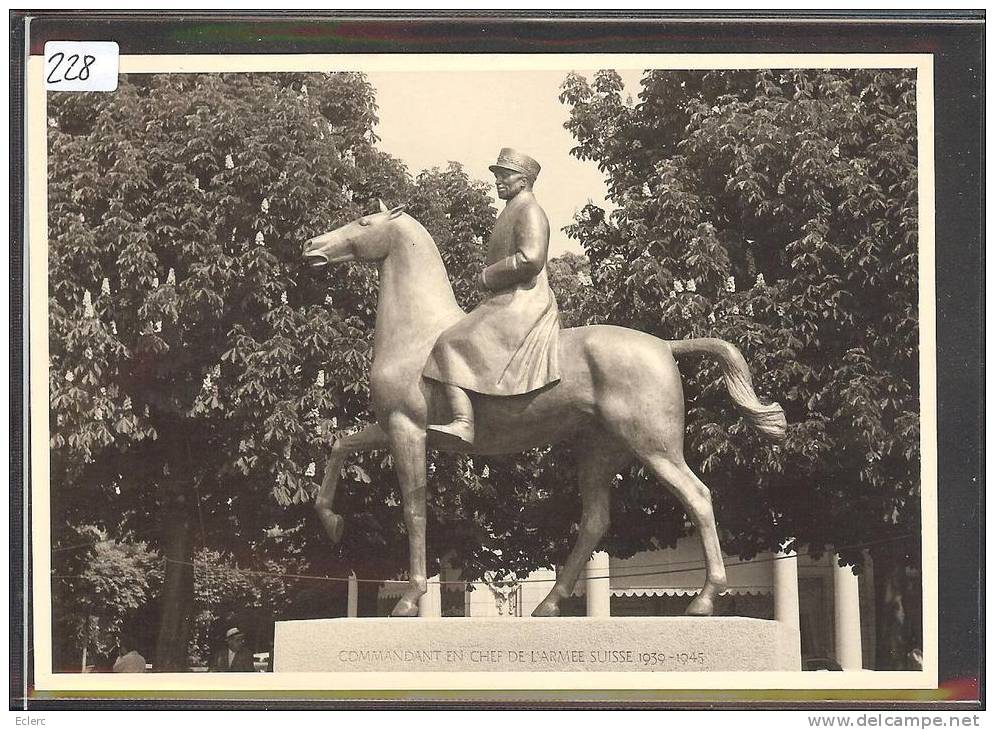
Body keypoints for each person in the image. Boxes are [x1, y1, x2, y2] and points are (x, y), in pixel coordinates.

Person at [423, 148, 560, 445]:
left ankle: (463, 421)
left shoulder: (530, 210)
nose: (498, 180)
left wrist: (488, 276)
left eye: (504, 175)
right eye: (497, 175)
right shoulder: (512, 208)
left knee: (449, 342)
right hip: (506, 298)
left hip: (523, 300)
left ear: (523, 181)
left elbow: (531, 259)